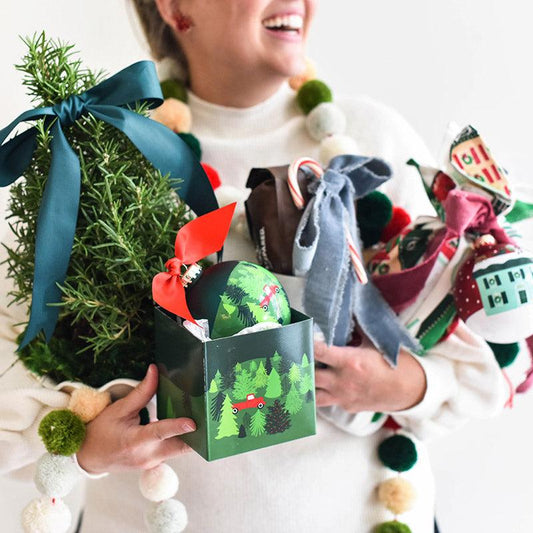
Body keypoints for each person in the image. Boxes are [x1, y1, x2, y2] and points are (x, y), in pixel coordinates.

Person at [0, 0, 528, 531]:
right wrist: (86, 444)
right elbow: (11, 379)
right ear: (176, 6)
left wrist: (408, 384)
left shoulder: (371, 144)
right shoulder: (102, 158)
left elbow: (504, 343)